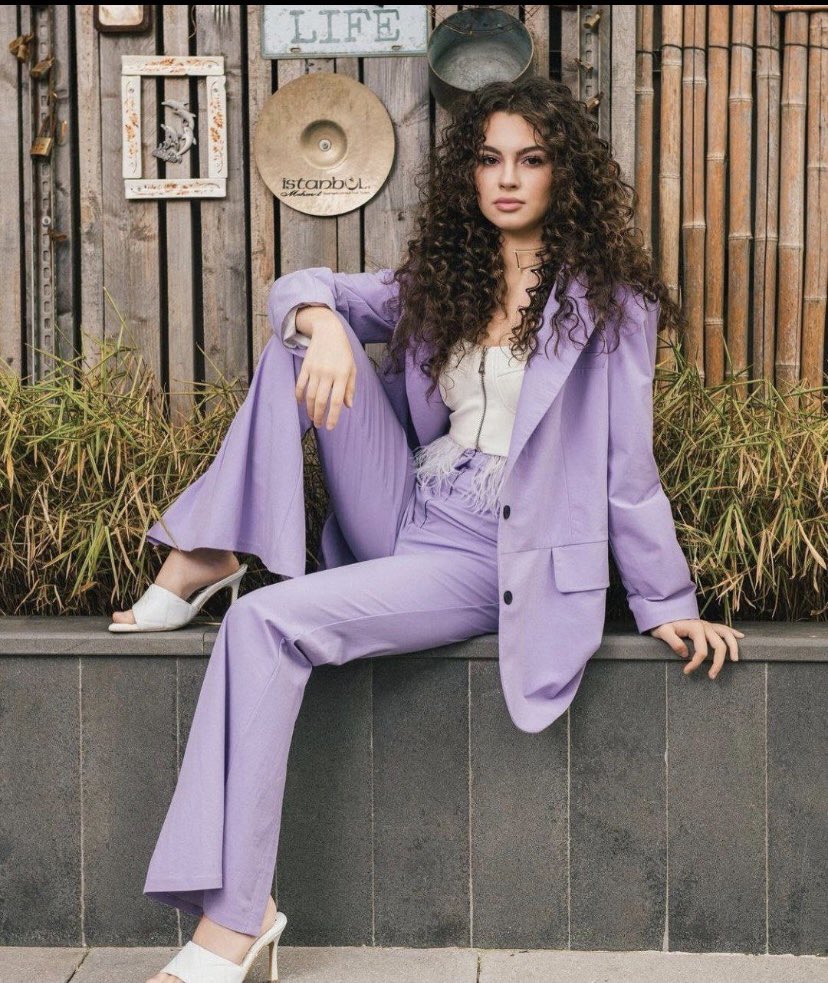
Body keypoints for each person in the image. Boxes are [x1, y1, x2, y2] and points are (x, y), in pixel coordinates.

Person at [113, 77, 744, 983]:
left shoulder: (607, 305)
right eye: (490, 159)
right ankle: (210, 549)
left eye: (530, 159)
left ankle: (235, 919)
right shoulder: (447, 277)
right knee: (300, 338)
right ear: (468, 174)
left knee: (260, 623)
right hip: (409, 502)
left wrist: (666, 601)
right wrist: (329, 325)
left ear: (564, 174)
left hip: (492, 553)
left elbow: (627, 467)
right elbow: (295, 287)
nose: (508, 179)